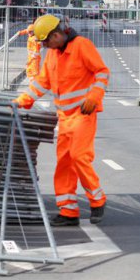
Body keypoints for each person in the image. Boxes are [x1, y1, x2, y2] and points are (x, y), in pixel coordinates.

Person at [13, 14, 110, 226]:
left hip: (83, 113)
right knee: (64, 163)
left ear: (56, 35)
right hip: (65, 117)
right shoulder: (53, 55)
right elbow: (42, 83)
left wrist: (94, 96)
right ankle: (68, 211)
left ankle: (97, 200)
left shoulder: (82, 46)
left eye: (47, 41)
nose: (45, 46)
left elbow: (102, 73)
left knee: (78, 157)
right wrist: (23, 100)